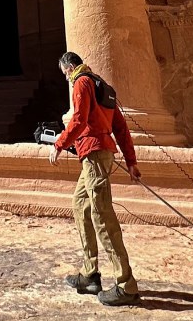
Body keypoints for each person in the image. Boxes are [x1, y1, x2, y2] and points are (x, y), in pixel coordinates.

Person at [49, 51, 142, 306]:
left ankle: (126, 285)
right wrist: (131, 161)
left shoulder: (82, 82)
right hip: (96, 156)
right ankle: (90, 275)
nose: (66, 79)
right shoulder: (103, 86)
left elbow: (78, 119)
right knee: (81, 205)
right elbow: (120, 127)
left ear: (69, 68)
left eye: (65, 74)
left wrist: (59, 144)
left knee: (102, 215)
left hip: (94, 156)